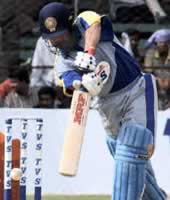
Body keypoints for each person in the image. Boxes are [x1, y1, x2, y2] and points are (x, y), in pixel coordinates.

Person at [39, 2, 167, 199]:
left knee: (131, 148)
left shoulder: (85, 22)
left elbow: (94, 25)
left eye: (60, 35)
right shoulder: (62, 63)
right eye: (51, 38)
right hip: (106, 106)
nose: (56, 42)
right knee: (129, 160)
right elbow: (72, 84)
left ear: (71, 27)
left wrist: (89, 53)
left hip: (135, 90)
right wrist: (84, 83)